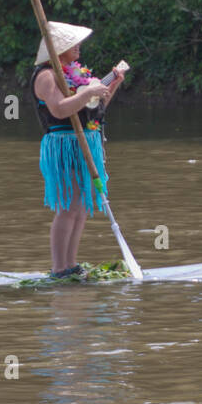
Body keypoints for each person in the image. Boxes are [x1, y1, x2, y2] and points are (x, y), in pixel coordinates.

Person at [28, 22, 125, 277]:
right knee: (69, 207)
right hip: (64, 145)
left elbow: (93, 110)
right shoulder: (46, 76)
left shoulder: (74, 72)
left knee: (81, 208)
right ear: (59, 49)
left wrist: (109, 88)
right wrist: (89, 91)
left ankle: (71, 265)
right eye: (74, 44)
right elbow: (59, 109)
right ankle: (59, 267)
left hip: (86, 141)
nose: (79, 47)